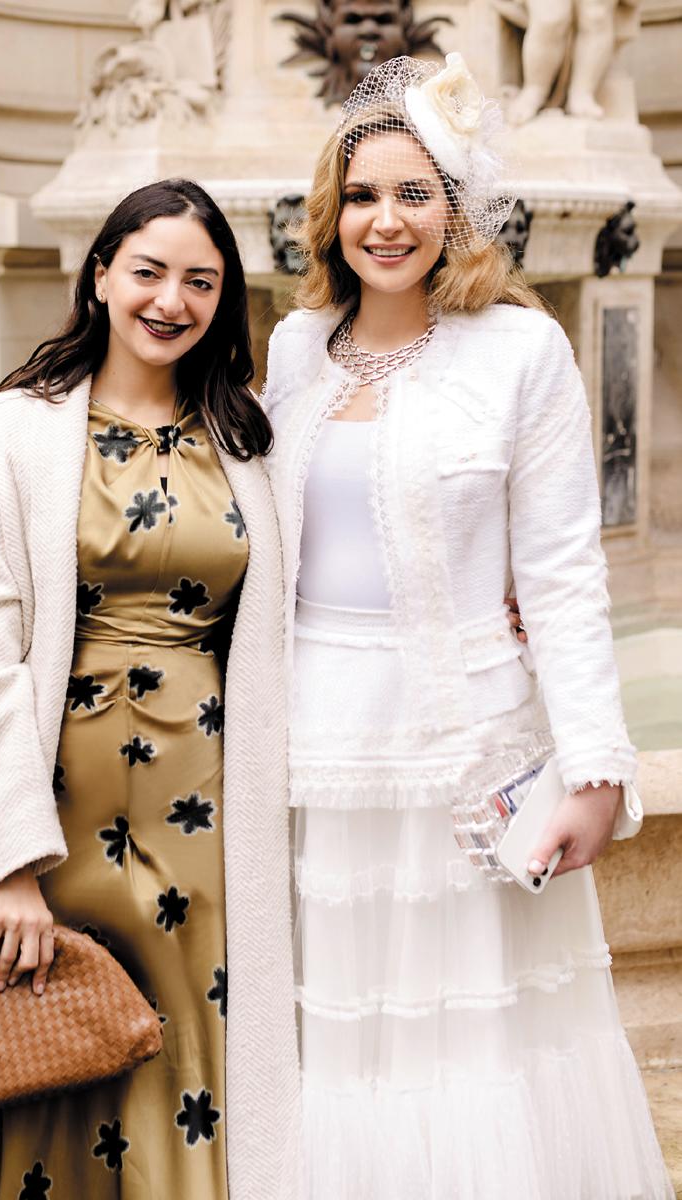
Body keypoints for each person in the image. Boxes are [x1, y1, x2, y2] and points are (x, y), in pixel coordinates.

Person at [261, 53, 672, 1200]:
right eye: (359, 196)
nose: (382, 222)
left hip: (460, 753)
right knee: (332, 1040)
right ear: (327, 213)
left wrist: (594, 766)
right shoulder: (293, 353)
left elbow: (561, 571)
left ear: (457, 210)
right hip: (307, 750)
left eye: (412, 194)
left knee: (466, 1046)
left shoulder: (519, 352)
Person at [0, 179, 300, 1200]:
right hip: (51, 827)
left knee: (186, 1073)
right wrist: (6, 865)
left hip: (207, 831)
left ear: (225, 298)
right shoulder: (14, 434)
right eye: (151, 271)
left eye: (201, 281)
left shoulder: (250, 443)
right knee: (40, 1067)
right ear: (101, 274)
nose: (173, 299)